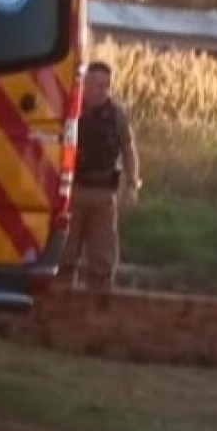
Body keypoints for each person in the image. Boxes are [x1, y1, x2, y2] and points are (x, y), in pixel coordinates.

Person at [60, 60, 140, 291]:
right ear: (84, 84)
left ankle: (100, 306)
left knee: (103, 258)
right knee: (65, 254)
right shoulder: (69, 109)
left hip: (104, 194)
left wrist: (133, 183)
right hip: (73, 191)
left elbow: (128, 148)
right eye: (98, 85)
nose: (104, 91)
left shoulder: (116, 114)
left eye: (107, 86)